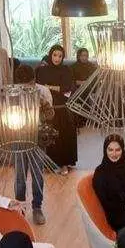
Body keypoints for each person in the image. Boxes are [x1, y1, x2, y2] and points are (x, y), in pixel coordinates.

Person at [12, 64, 55, 225]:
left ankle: (37, 207)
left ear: (34, 81)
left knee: (37, 175)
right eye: (21, 86)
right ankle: (20, 207)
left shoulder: (42, 92)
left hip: (38, 139)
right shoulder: (13, 93)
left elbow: (51, 114)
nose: (25, 89)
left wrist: (40, 110)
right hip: (18, 138)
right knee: (19, 176)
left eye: (28, 86)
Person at [36, 45, 77, 175]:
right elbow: (38, 87)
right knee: (48, 137)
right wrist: (54, 88)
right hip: (47, 109)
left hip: (62, 109)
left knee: (63, 137)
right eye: (54, 55)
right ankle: (49, 165)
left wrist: (49, 87)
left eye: (60, 56)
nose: (57, 58)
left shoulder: (66, 70)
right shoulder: (41, 70)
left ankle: (64, 165)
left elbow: (67, 89)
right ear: (50, 55)